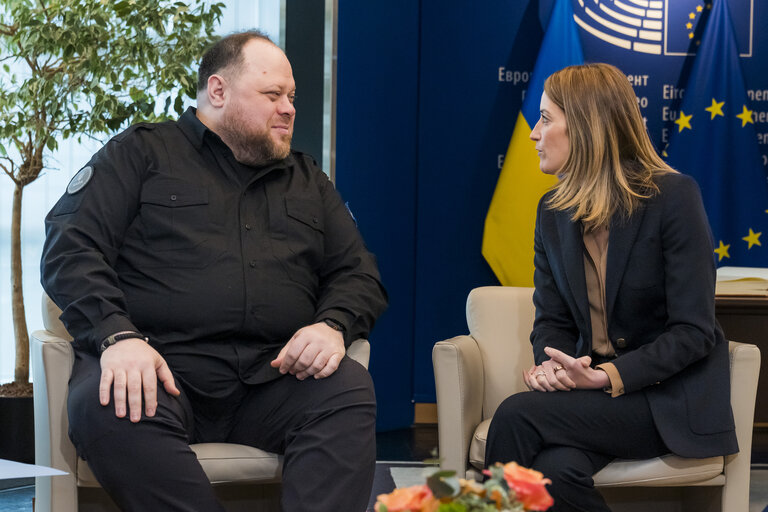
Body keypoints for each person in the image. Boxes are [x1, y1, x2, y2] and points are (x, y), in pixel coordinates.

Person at [41, 30, 387, 512]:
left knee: (348, 388)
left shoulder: (309, 180)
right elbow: (69, 249)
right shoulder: (140, 154)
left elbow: (359, 273)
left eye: (291, 97)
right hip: (160, 369)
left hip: (273, 378)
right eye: (272, 95)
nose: (288, 108)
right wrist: (116, 336)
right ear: (218, 91)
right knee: (108, 402)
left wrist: (333, 325)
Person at [484, 63, 737, 512]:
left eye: (545, 118)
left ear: (585, 125)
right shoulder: (551, 211)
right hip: (594, 399)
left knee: (515, 415)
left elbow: (693, 331)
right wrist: (554, 366)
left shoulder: (673, 197)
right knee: (556, 473)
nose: (533, 134)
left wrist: (605, 375)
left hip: (665, 399)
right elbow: (553, 321)